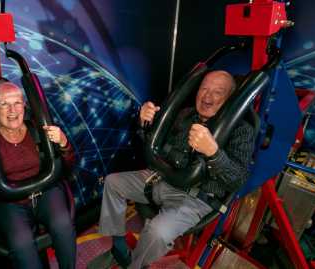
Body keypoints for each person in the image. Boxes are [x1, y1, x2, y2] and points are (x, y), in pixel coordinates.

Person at [91, 70, 255, 268]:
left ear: (229, 99)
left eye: (217, 92)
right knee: (113, 182)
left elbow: (239, 180)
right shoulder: (185, 115)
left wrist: (214, 153)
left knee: (157, 233)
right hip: (161, 179)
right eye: (204, 89)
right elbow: (154, 145)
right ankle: (118, 247)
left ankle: (136, 265)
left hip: (193, 197)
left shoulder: (242, 130)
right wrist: (145, 123)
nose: (207, 97)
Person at [0, 81, 76, 269]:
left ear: (24, 104)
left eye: (17, 103)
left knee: (62, 225)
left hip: (45, 192)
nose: (12, 110)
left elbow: (69, 165)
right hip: (9, 203)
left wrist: (64, 143)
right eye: (4, 104)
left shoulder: (38, 129)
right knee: (21, 244)